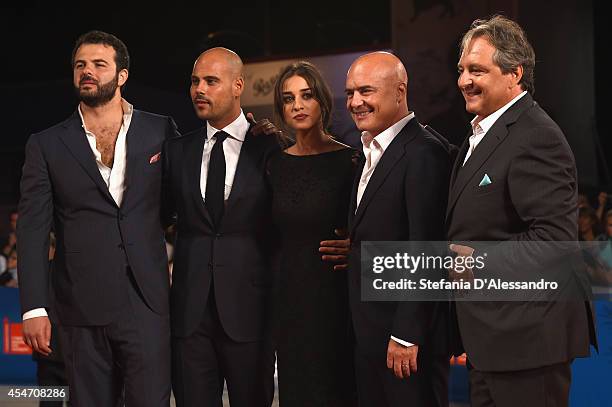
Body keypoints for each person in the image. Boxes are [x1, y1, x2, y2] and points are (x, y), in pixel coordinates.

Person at [18, 30, 178, 407]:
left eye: (99, 65)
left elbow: (180, 205)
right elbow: (33, 230)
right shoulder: (45, 144)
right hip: (78, 309)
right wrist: (34, 307)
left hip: (147, 304)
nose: (87, 71)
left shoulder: (161, 131)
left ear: (122, 75)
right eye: (80, 65)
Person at [446, 15, 597, 406]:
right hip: (492, 343)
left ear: (515, 74)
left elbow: (554, 242)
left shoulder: (536, 136)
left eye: (477, 70)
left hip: (529, 345)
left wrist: (477, 261)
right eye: (462, 69)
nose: (464, 80)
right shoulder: (481, 132)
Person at [162, 47, 277, 407]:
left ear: (238, 85)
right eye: (195, 81)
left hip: (251, 313)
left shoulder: (273, 148)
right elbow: (159, 219)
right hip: (190, 317)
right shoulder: (176, 152)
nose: (199, 89)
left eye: (211, 81)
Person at [345, 51, 452, 407]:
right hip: (370, 333)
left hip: (404, 341)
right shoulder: (367, 151)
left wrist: (407, 333)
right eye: (350, 93)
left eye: (366, 91)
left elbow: (428, 249)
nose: (355, 102)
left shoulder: (424, 152)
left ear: (399, 91)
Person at [267, 61, 357, 406]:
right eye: (289, 99)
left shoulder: (350, 161)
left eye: (306, 96)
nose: (298, 105)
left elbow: (368, 225)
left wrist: (358, 247)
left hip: (336, 302)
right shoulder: (273, 164)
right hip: (289, 304)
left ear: (322, 101)